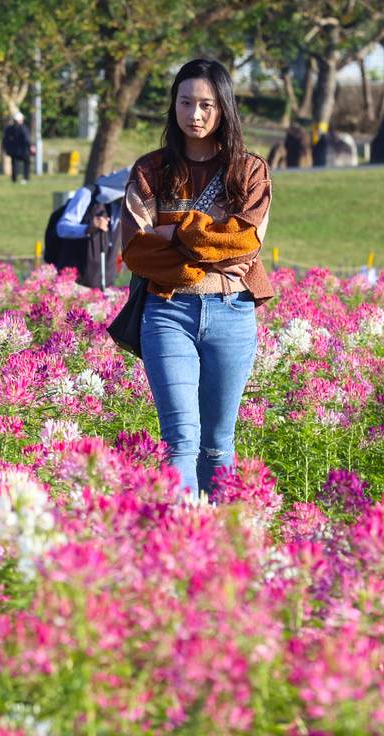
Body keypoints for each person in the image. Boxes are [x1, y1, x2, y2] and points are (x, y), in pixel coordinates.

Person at [120, 58, 273, 499]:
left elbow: (244, 243)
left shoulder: (249, 171)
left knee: (217, 444)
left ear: (224, 108)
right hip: (167, 311)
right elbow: (135, 248)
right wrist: (208, 248)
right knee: (180, 442)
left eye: (206, 104)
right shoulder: (150, 170)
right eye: (186, 102)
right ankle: (180, 546)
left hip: (232, 313)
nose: (196, 114)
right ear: (174, 106)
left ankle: (220, 548)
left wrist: (172, 230)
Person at [55, 167, 128, 289]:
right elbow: (62, 228)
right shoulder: (87, 194)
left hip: (106, 283)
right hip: (75, 283)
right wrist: (88, 228)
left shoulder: (126, 207)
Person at [2, 113, 34, 184]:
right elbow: (26, 139)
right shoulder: (23, 127)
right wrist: (30, 146)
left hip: (13, 151)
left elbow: (5, 140)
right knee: (27, 163)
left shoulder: (9, 129)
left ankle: (14, 179)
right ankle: (26, 178)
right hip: (23, 150)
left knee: (14, 165)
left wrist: (7, 149)